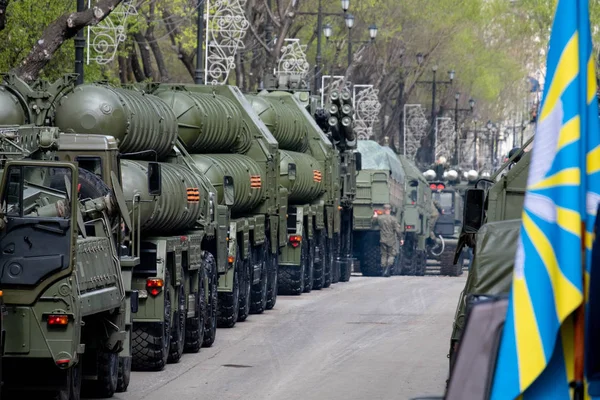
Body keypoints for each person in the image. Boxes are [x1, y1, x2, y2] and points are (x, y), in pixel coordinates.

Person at [372, 204, 403, 277]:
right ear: (390, 210)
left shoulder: (380, 218)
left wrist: (375, 214)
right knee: (391, 255)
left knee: (383, 255)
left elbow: (373, 222)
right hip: (391, 240)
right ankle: (387, 269)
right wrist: (401, 239)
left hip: (382, 239)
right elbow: (398, 230)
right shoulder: (393, 219)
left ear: (384, 209)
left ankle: (383, 270)